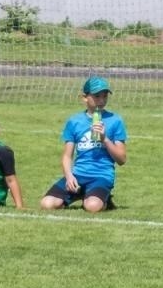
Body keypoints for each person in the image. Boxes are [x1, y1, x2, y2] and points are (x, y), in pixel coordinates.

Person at [40, 76, 128, 213]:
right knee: (47, 204)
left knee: (92, 206)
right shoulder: (74, 122)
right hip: (78, 174)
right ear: (84, 98)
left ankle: (104, 200)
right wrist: (69, 176)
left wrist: (105, 139)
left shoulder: (115, 120)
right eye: (97, 96)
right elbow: (67, 156)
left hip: (101, 175)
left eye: (105, 96)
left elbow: (122, 159)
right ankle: (80, 194)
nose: (102, 100)